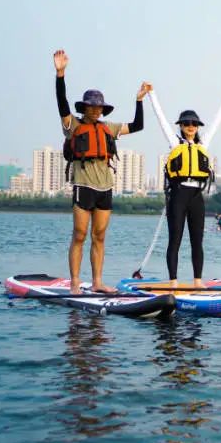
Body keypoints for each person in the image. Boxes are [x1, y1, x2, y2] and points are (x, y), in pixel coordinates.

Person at [53, 49, 148, 294]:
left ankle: (97, 282)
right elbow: (62, 104)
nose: (96, 110)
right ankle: (75, 282)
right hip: (83, 185)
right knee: (80, 234)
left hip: (105, 187)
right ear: (84, 107)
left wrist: (139, 100)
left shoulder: (109, 128)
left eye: (99, 107)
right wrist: (60, 74)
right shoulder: (73, 125)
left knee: (100, 236)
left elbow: (138, 125)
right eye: (91, 107)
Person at [162, 110, 215, 288]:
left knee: (197, 241)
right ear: (181, 126)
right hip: (178, 194)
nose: (190, 126)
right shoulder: (175, 142)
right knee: (175, 239)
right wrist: (150, 94)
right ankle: (173, 281)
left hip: (196, 196)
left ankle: (198, 281)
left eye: (194, 123)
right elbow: (161, 118)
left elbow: (217, 122)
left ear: (198, 126)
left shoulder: (203, 144)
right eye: (186, 124)